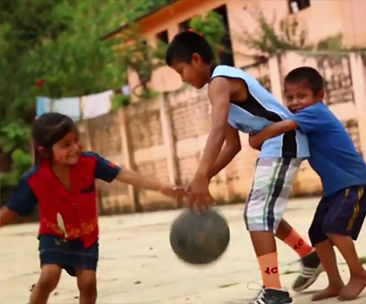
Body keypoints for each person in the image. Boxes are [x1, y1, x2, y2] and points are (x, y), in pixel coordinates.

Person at [165, 31, 322, 303]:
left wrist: (202, 175)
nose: (183, 79)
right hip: (276, 143)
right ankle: (309, 256)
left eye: (181, 71)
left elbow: (215, 131)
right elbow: (231, 145)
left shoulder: (219, 81)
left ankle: (273, 291)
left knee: (258, 214)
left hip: (283, 140)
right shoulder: (218, 88)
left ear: (196, 59)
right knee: (261, 212)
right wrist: (202, 178)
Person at [0, 113, 182, 304]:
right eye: (65, 145)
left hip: (86, 236)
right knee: (48, 277)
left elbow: (125, 175)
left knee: (88, 282)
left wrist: (162, 187)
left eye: (76, 141)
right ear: (45, 152)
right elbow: (10, 211)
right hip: (54, 236)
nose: (75, 148)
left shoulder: (90, 163)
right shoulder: (34, 179)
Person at [249, 67, 366, 301]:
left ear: (319, 96)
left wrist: (258, 137)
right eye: (290, 97)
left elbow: (282, 127)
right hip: (336, 188)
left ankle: (358, 274)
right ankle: (334, 282)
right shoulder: (305, 119)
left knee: (334, 228)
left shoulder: (315, 113)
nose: (295, 103)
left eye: (301, 96)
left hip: (354, 182)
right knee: (317, 234)